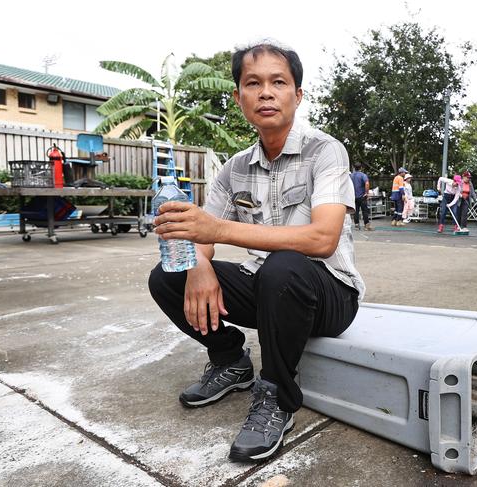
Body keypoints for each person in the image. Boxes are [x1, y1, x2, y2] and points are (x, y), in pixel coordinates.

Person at [148, 41, 363, 463]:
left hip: (329, 293)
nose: (266, 92)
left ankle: (277, 396)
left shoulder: (325, 150)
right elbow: (201, 238)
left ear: (297, 95)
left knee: (284, 267)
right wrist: (198, 266)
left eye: (278, 82)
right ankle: (231, 360)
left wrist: (218, 231)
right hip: (265, 285)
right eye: (254, 83)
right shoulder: (234, 168)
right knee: (167, 274)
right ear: (238, 97)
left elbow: (322, 239)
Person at [350, 162, 374, 231]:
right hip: (362, 196)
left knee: (356, 211)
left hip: (354, 197)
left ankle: (356, 225)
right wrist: (366, 193)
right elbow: (367, 183)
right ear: (361, 168)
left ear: (354, 168)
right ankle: (367, 225)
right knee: (364, 211)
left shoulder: (351, 176)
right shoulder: (363, 175)